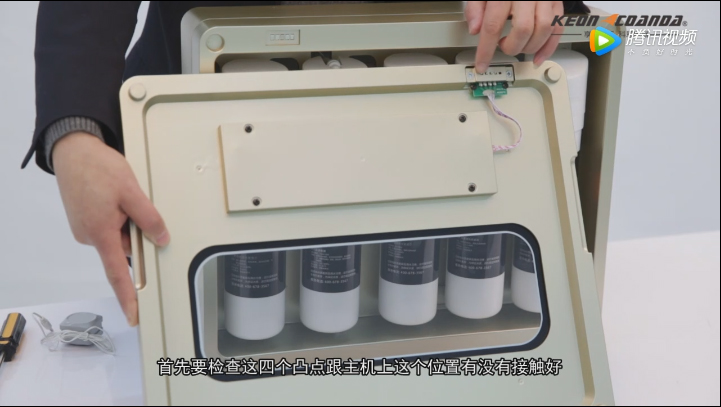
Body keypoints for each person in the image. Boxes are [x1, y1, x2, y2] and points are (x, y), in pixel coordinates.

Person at [21, 1, 589, 327]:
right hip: (203, 90)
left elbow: (597, 37)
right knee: (222, 331)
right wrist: (75, 130)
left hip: (463, 60)